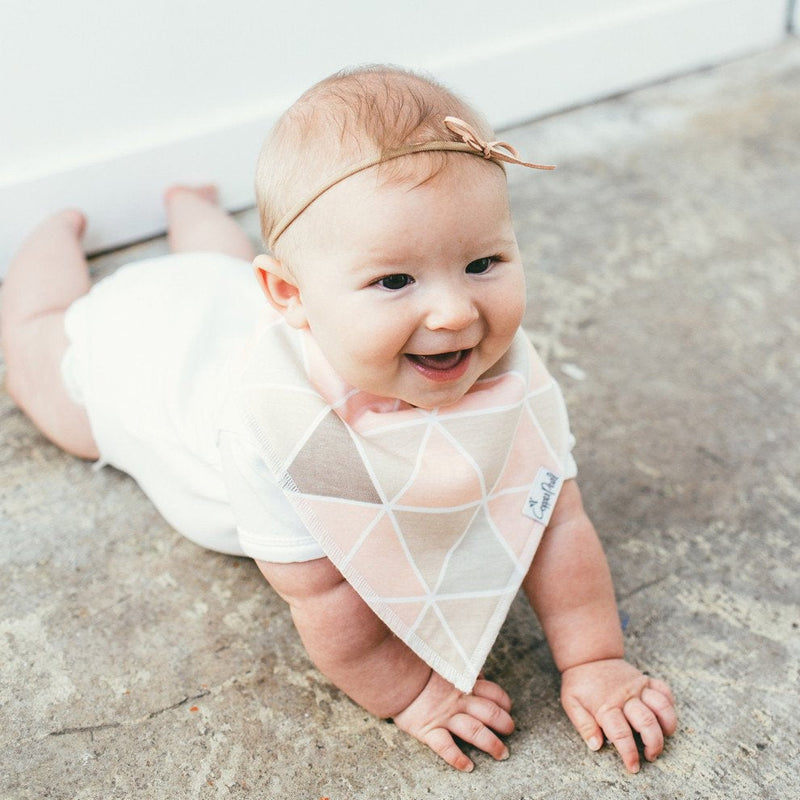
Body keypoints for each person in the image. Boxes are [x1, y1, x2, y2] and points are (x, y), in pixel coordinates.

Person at [0, 65, 677, 773]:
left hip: (238, 296)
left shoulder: (505, 373)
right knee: (47, 376)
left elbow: (555, 521)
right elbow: (325, 593)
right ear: (290, 297)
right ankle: (46, 244)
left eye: (482, 262)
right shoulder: (279, 427)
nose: (454, 313)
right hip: (153, 351)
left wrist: (597, 659)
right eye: (395, 281)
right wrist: (414, 693)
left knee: (223, 267)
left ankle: (192, 209)